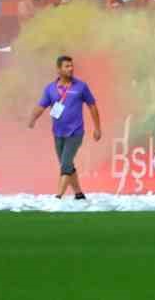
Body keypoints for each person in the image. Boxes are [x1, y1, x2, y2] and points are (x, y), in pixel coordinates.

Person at [28, 54, 102, 200]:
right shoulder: (50, 89)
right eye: (67, 66)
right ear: (59, 70)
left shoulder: (81, 87)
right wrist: (32, 119)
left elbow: (92, 105)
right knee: (66, 164)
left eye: (71, 66)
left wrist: (97, 128)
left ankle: (58, 197)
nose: (71, 69)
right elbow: (41, 106)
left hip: (75, 132)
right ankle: (79, 194)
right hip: (58, 133)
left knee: (65, 164)